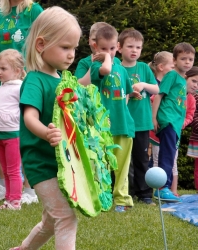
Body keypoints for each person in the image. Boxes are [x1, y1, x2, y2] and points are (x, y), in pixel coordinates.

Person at [10, 6, 81, 250]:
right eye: (65, 47)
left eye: (74, 48)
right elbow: (29, 117)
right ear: (41, 44)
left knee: (52, 220)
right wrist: (46, 132)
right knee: (65, 217)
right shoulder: (35, 79)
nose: (71, 54)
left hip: (61, 161)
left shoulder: (61, 79)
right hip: (41, 162)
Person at [0, 0, 43, 202]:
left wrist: (37, 78)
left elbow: (42, 46)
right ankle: (6, 182)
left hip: (25, 82)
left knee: (26, 135)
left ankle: (29, 189)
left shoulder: (34, 11)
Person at [89, 25, 137, 212]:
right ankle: (101, 198)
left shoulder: (123, 70)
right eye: (103, 48)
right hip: (103, 126)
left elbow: (126, 93)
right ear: (95, 47)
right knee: (101, 164)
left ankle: (122, 200)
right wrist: (107, 57)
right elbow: (106, 70)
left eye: (111, 48)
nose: (107, 52)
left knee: (122, 166)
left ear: (117, 46)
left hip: (124, 125)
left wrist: (130, 101)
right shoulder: (96, 66)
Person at [117, 28, 159, 205]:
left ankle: (144, 194)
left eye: (138, 47)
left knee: (141, 160)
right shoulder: (115, 67)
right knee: (121, 160)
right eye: (130, 46)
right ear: (119, 47)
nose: (134, 50)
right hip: (122, 123)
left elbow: (157, 89)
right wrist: (128, 93)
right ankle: (123, 192)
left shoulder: (143, 67)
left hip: (141, 123)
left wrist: (142, 84)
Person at [152, 42, 195, 202]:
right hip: (168, 120)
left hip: (176, 123)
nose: (187, 62)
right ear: (175, 60)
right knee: (167, 155)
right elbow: (158, 96)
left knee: (170, 155)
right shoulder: (171, 75)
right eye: (183, 58)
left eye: (190, 59)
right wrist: (154, 117)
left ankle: (164, 188)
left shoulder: (183, 79)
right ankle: (162, 189)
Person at [0, 49, 25, 210]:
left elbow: (26, 110)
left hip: (12, 134)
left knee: (13, 169)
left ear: (17, 71)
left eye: (3, 69)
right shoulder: (1, 87)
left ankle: (15, 201)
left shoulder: (20, 87)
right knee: (5, 170)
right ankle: (8, 199)